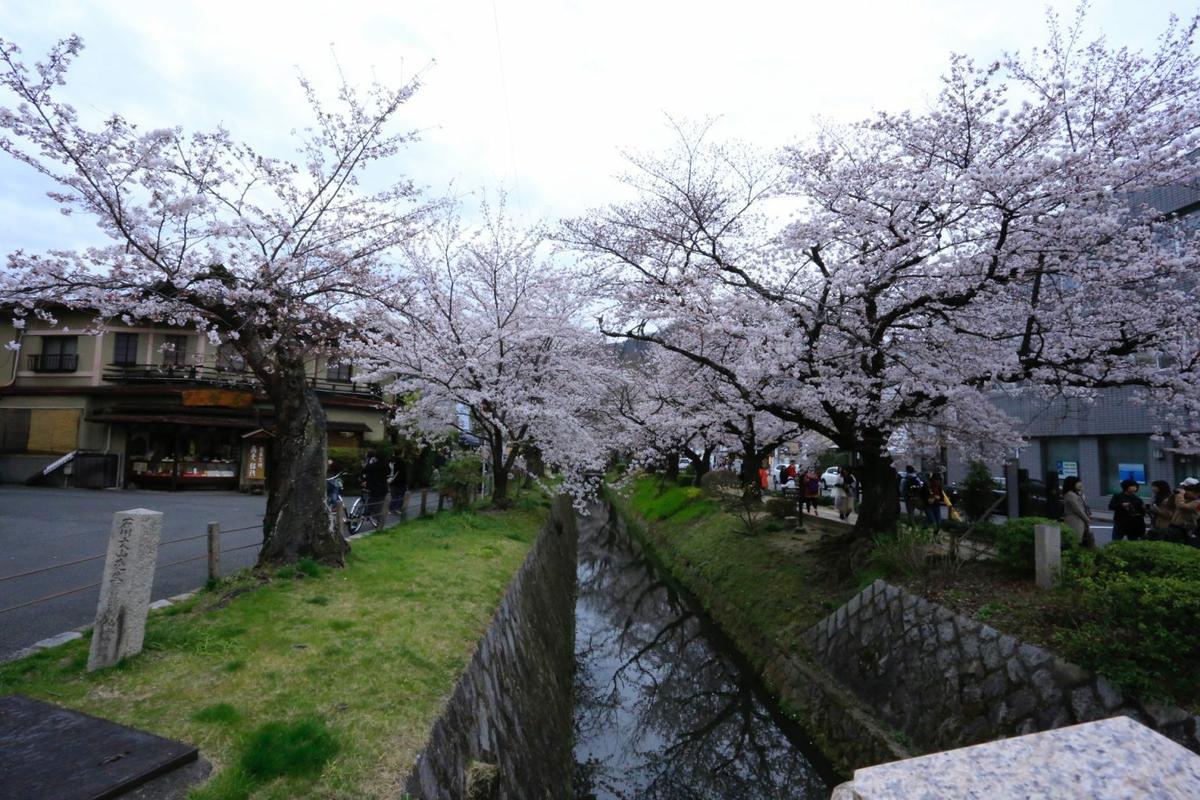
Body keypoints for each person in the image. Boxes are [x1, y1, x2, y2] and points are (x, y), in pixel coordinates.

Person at [361, 448, 390, 528]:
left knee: (372, 499)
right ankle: (377, 519)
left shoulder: (372, 466)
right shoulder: (386, 466)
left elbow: (365, 470)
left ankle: (367, 514)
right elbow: (389, 473)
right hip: (383, 487)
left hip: (373, 486)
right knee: (379, 503)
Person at [1062, 475, 1093, 548]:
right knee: (1075, 541)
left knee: (1078, 540)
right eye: (1078, 482)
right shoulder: (1070, 495)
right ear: (1072, 483)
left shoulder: (1076, 494)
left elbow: (1083, 504)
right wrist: (1087, 519)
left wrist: (1081, 492)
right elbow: (1078, 509)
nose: (1080, 484)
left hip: (1078, 520)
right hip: (1074, 520)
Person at [387, 453, 409, 519]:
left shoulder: (392, 464)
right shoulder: (401, 464)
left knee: (395, 496)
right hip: (400, 482)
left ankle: (392, 508)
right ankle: (397, 508)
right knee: (400, 495)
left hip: (393, 481)